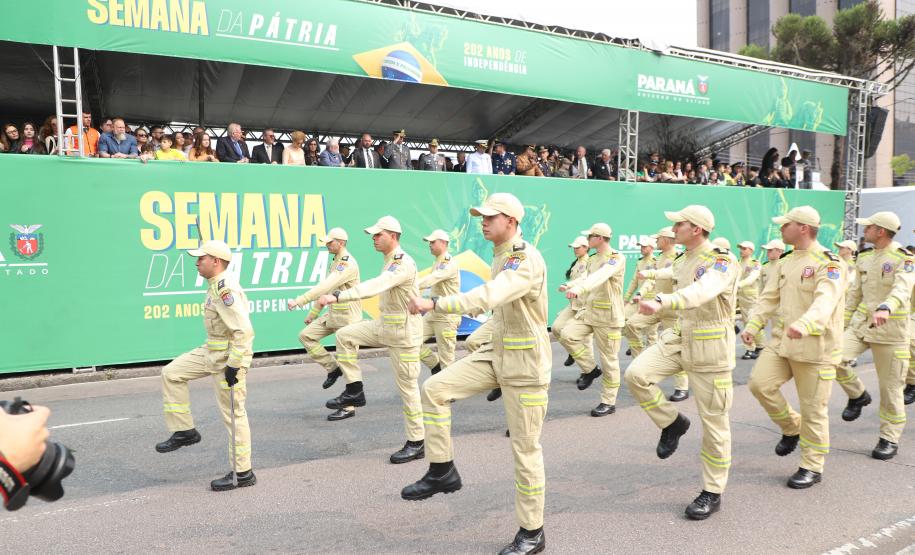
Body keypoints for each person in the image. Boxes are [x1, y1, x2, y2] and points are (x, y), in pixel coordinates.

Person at [402, 193, 550, 555]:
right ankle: (442, 470)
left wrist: (436, 303)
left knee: (525, 450)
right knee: (434, 388)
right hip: (498, 355)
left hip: (526, 367)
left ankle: (532, 532)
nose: (482, 222)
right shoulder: (500, 256)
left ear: (511, 222)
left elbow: (490, 295)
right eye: (481, 217)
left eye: (490, 217)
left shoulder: (524, 259)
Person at [624, 205, 739, 520]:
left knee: (714, 425)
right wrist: (646, 294)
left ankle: (712, 491)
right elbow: (667, 280)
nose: (673, 229)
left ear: (697, 229)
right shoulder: (683, 259)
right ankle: (672, 422)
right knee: (636, 375)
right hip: (681, 335)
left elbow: (701, 291)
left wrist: (664, 300)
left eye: (680, 224)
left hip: (711, 346)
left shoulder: (722, 261)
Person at [743, 206, 846, 489]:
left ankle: (812, 465)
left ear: (803, 228)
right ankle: (791, 427)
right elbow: (768, 298)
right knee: (759, 384)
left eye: (785, 224)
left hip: (815, 347)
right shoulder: (786, 261)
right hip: (781, 341)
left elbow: (826, 299)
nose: (780, 228)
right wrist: (753, 325)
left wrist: (806, 324)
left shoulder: (830, 263)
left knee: (814, 409)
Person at [316, 216, 425, 463]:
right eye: (373, 235)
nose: (373, 239)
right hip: (386, 326)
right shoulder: (389, 261)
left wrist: (339, 296)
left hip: (404, 334)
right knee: (345, 335)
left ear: (393, 236)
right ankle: (355, 390)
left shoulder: (401, 262)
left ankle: (416, 442)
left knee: (408, 390)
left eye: (378, 235)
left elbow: (378, 285)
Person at [155, 240, 256, 491]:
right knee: (172, 373)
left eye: (201, 258)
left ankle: (243, 473)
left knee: (234, 416)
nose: (196, 262)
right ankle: (185, 431)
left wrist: (234, 365)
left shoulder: (225, 289)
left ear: (216, 262)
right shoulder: (214, 286)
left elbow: (244, 331)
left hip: (229, 360)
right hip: (211, 350)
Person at [835, 211, 914, 460]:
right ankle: (858, 395)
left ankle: (889, 438)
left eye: (868, 227)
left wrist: (887, 306)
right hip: (862, 325)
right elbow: (854, 295)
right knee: (833, 358)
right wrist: (841, 325)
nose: (864, 230)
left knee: (891, 389)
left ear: (880, 231)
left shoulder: (905, 259)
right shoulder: (865, 257)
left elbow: (903, 288)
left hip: (892, 332)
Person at [559, 222, 626, 417]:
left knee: (609, 361)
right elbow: (587, 276)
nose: (588, 240)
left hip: (608, 317)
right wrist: (570, 285)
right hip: (590, 313)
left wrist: (579, 289)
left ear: (599, 238)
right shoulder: (593, 258)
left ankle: (608, 401)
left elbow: (601, 276)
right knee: (567, 335)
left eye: (590, 237)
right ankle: (590, 369)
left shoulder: (616, 258)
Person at [287, 228, 362, 400]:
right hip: (333, 315)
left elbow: (325, 286)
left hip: (348, 320)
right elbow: (326, 293)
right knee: (306, 336)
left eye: (330, 242)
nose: (327, 244)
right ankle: (332, 368)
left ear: (341, 243)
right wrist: (313, 314)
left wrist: (300, 300)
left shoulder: (346, 263)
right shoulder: (335, 261)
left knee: (348, 363)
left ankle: (349, 406)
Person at [625, 227, 689, 401]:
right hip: (658, 304)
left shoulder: (680, 258)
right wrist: (640, 293)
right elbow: (651, 281)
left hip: (672, 309)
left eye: (658, 239)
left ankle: (682, 387)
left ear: (667, 240)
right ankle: (640, 364)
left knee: (676, 347)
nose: (656, 242)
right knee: (630, 325)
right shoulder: (659, 258)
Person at [417, 229, 461, 374]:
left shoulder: (447, 262)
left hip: (447, 316)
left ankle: (448, 391)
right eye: (429, 242)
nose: (429, 245)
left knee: (446, 357)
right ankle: (435, 367)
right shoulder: (438, 262)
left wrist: (412, 285)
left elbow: (432, 279)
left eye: (432, 242)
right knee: (412, 339)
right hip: (434, 313)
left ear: (443, 243)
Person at [553, 236, 591, 368]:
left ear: (586, 248)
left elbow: (583, 278)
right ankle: (572, 351)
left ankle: (587, 370)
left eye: (578, 247)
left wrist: (568, 285)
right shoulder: (577, 262)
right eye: (574, 247)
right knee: (556, 328)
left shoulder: (590, 262)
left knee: (586, 341)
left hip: (585, 306)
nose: (575, 250)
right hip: (574, 304)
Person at [622, 237, 658, 357]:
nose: (641, 248)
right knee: (623, 319)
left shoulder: (656, 261)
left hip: (652, 301)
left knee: (651, 333)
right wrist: (626, 298)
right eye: (640, 246)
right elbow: (634, 281)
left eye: (644, 246)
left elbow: (653, 282)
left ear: (652, 247)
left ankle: (653, 361)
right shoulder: (640, 261)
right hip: (638, 299)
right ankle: (637, 344)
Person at [735, 241, 763, 360]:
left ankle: (757, 347)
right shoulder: (736, 263)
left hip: (751, 299)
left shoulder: (755, 263)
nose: (741, 250)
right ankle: (752, 348)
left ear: (751, 250)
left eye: (744, 248)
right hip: (738, 298)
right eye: (740, 248)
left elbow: (753, 278)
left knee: (751, 322)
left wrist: (739, 285)